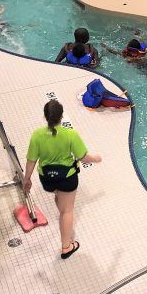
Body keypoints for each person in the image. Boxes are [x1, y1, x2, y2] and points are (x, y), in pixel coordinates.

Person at [22, 99, 101, 259]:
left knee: (60, 199)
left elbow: (31, 160)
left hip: (47, 180)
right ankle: (67, 247)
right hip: (67, 178)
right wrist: (96, 158)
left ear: (46, 117)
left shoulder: (37, 135)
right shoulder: (70, 134)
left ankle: (65, 221)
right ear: (61, 116)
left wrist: (27, 179)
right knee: (67, 211)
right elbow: (83, 157)